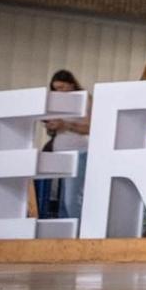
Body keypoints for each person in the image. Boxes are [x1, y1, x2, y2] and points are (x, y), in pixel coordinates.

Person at [41, 69, 91, 224]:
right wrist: (52, 125)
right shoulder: (57, 103)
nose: (59, 92)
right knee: (60, 200)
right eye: (55, 89)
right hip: (60, 153)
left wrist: (66, 125)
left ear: (71, 84)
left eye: (62, 88)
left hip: (79, 152)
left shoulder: (85, 99)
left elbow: (91, 127)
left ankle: (79, 234)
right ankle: (66, 235)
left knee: (72, 198)